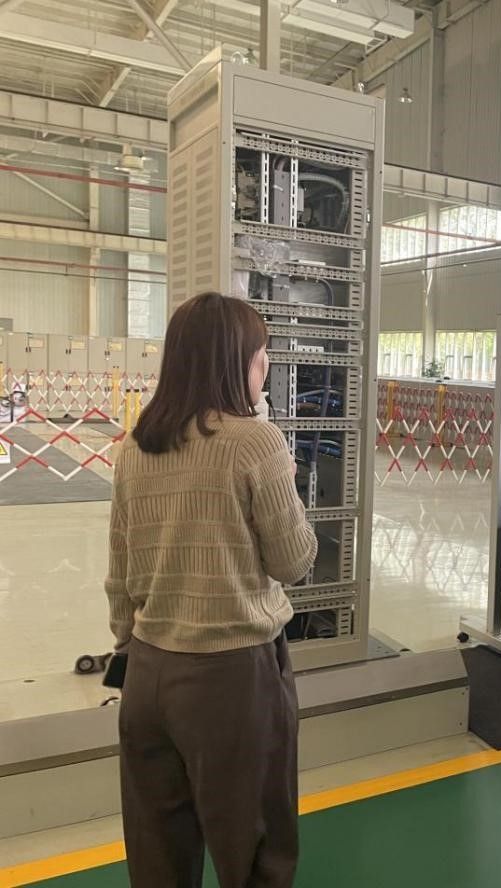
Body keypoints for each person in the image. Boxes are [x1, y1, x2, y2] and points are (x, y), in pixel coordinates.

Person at [106, 292, 318, 888]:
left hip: (147, 673)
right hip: (232, 677)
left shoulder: (135, 447)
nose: (266, 366)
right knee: (255, 849)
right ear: (236, 362)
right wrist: (286, 483)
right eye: (260, 354)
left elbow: (120, 573)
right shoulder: (255, 442)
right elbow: (294, 561)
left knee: (158, 853)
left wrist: (129, 644)